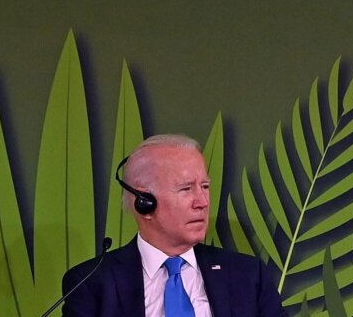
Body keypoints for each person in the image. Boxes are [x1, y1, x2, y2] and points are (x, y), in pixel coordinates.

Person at [60, 134, 285, 316]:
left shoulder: (247, 275)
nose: (203, 202)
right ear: (144, 203)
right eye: (186, 189)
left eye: (205, 187)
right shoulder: (91, 283)